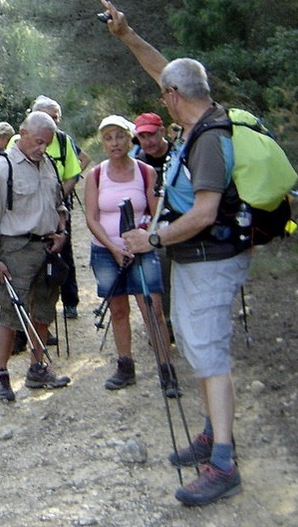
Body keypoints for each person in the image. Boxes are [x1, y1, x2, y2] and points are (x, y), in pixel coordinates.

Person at [102, 0, 249, 506]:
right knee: (194, 342)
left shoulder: (208, 138)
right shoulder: (197, 118)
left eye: (164, 91)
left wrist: (154, 239)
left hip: (212, 258)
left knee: (208, 352)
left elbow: (206, 212)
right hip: (195, 260)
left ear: (172, 97)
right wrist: (127, 35)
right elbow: (162, 67)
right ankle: (212, 432)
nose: (161, 94)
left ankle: (223, 461)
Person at [0, 111, 72, 402]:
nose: (42, 148)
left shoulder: (48, 166)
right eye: (39, 141)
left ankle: (37, 368)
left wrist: (62, 232)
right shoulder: (2, 168)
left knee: (44, 310)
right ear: (24, 133)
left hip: (47, 249)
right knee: (11, 313)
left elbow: (59, 205)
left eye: (47, 143)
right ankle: (1, 374)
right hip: (16, 249)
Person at [84, 115, 179, 397]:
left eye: (119, 137)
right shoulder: (96, 175)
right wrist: (113, 248)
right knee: (118, 310)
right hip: (105, 251)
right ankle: (125, 366)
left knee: (153, 309)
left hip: (141, 250)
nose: (114, 143)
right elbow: (91, 218)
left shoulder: (145, 171)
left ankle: (167, 369)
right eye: (108, 138)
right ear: (103, 142)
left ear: (129, 139)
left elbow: (154, 212)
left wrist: (142, 240)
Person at [29, 95, 89, 320]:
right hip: (28, 211)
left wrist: (56, 197)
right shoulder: (20, 139)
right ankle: (38, 310)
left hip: (58, 208)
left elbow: (74, 172)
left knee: (63, 254)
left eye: (56, 118)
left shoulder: (63, 140)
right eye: (48, 117)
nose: (53, 122)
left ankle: (70, 301)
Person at [132, 111, 175, 336]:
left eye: (150, 135)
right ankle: (164, 323)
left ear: (162, 131)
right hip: (153, 227)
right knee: (160, 270)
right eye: (142, 137)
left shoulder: (179, 155)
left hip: (183, 222)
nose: (147, 141)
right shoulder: (138, 163)